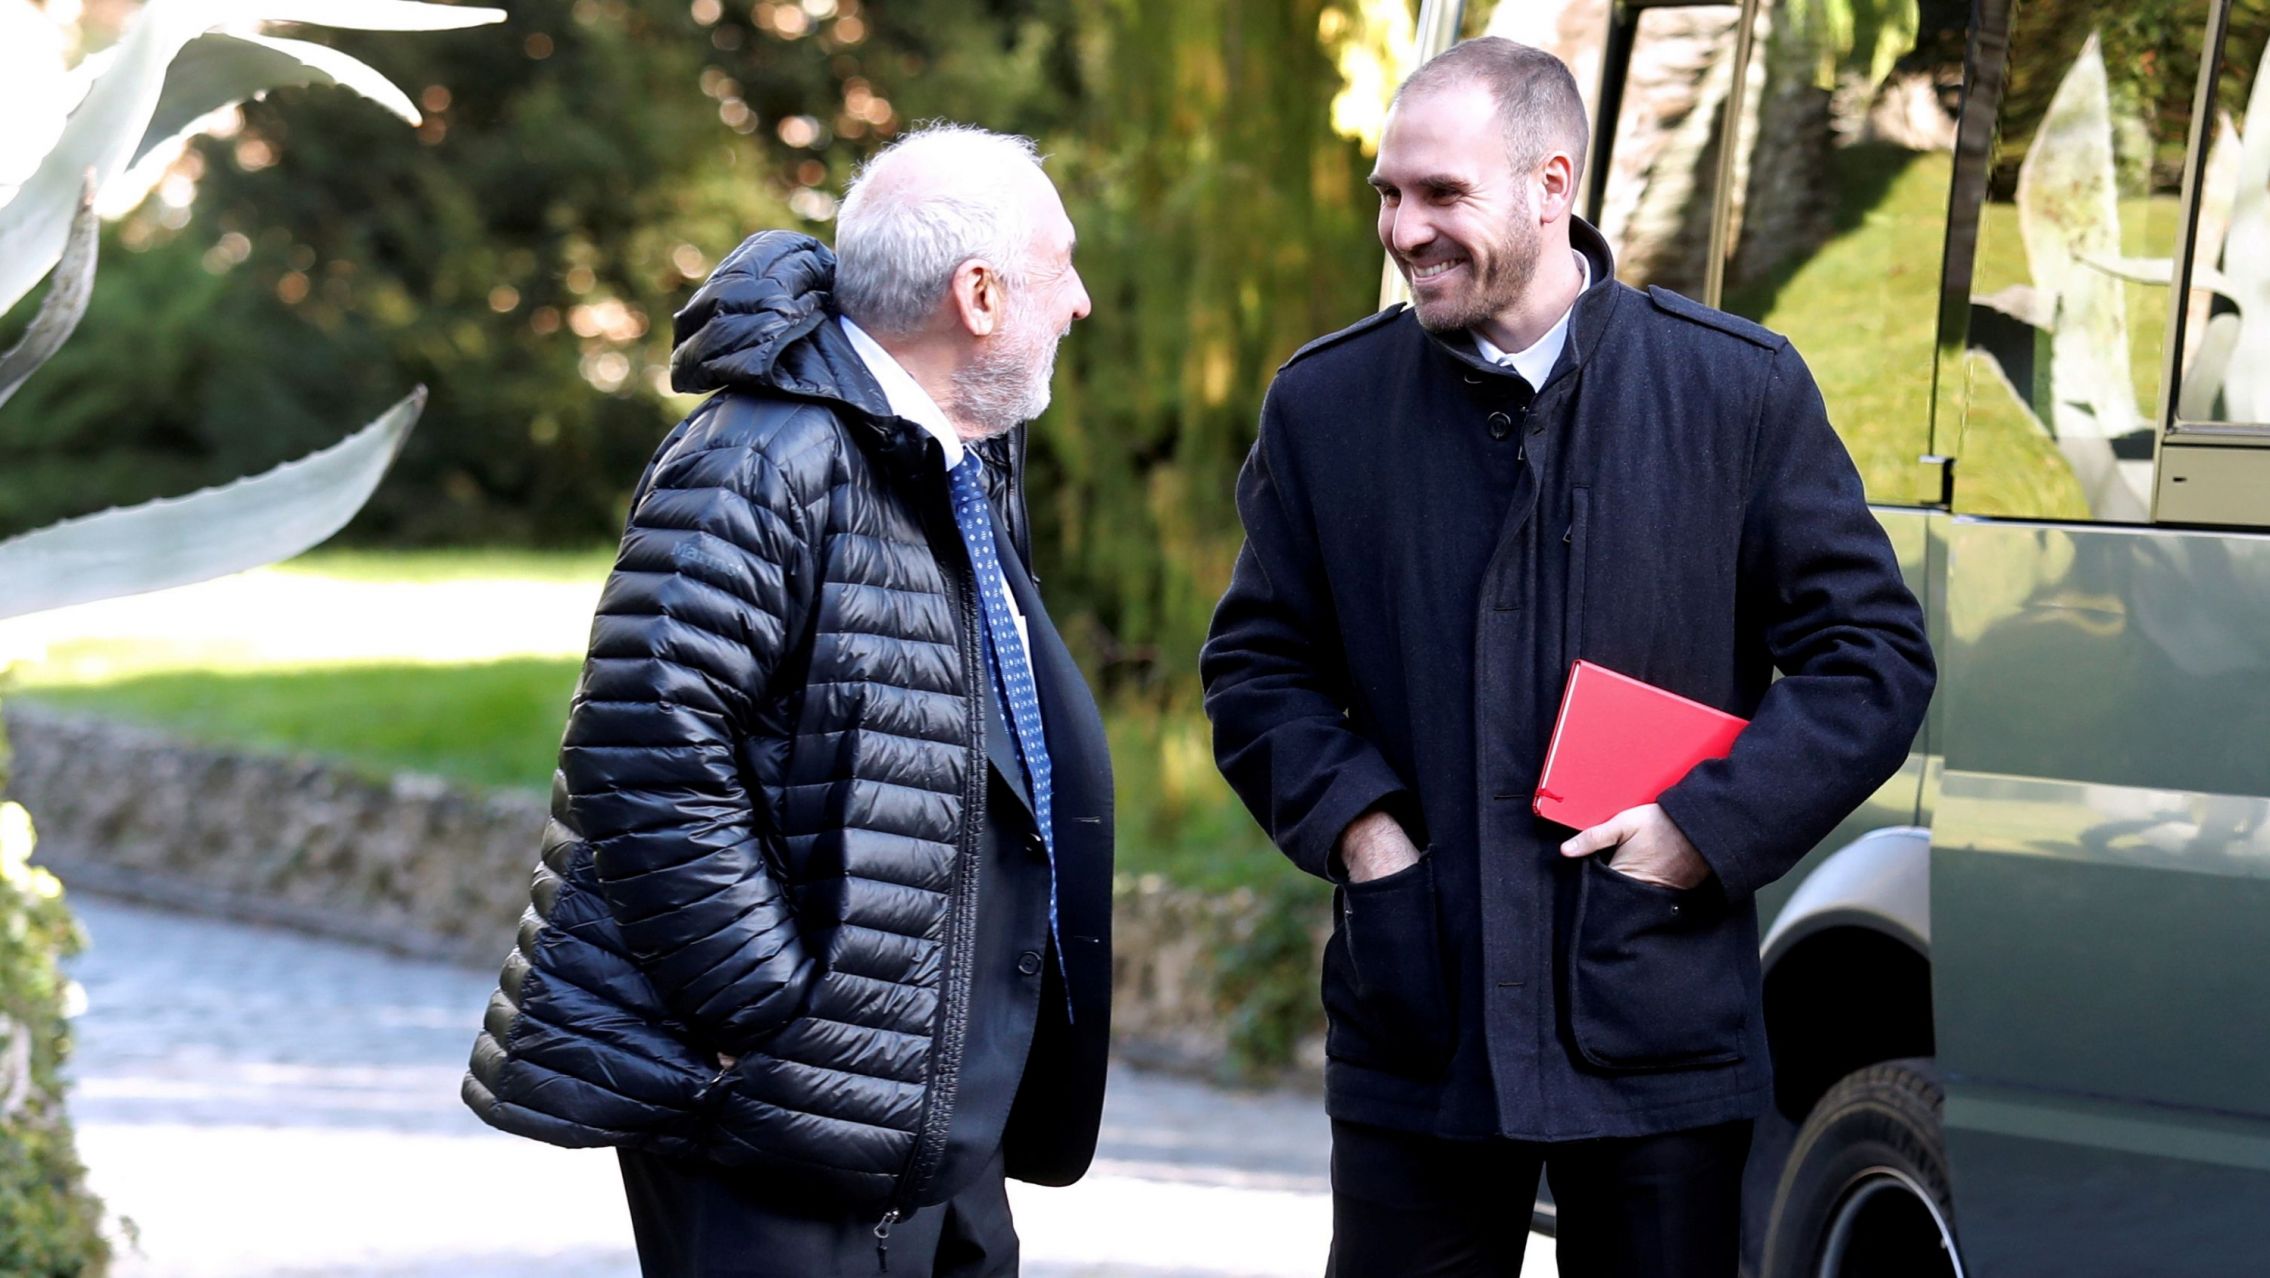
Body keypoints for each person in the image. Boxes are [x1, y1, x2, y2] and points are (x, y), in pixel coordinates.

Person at [1199, 37, 1935, 1278]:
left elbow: (1869, 659)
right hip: (1418, 1022)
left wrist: (1699, 830)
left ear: (1551, 185)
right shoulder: (1323, 407)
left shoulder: (1734, 389)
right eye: (1389, 193)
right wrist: (1367, 839)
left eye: (1441, 194)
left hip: (1652, 1014)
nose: (1404, 229)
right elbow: (1256, 670)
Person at [463, 122, 1113, 1277]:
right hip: (777, 1115)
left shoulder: (952, 460)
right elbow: (641, 755)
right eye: (1058, 268)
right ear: (976, 295)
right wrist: (773, 1017)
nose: (1079, 302)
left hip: (924, 1113)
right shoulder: (758, 458)